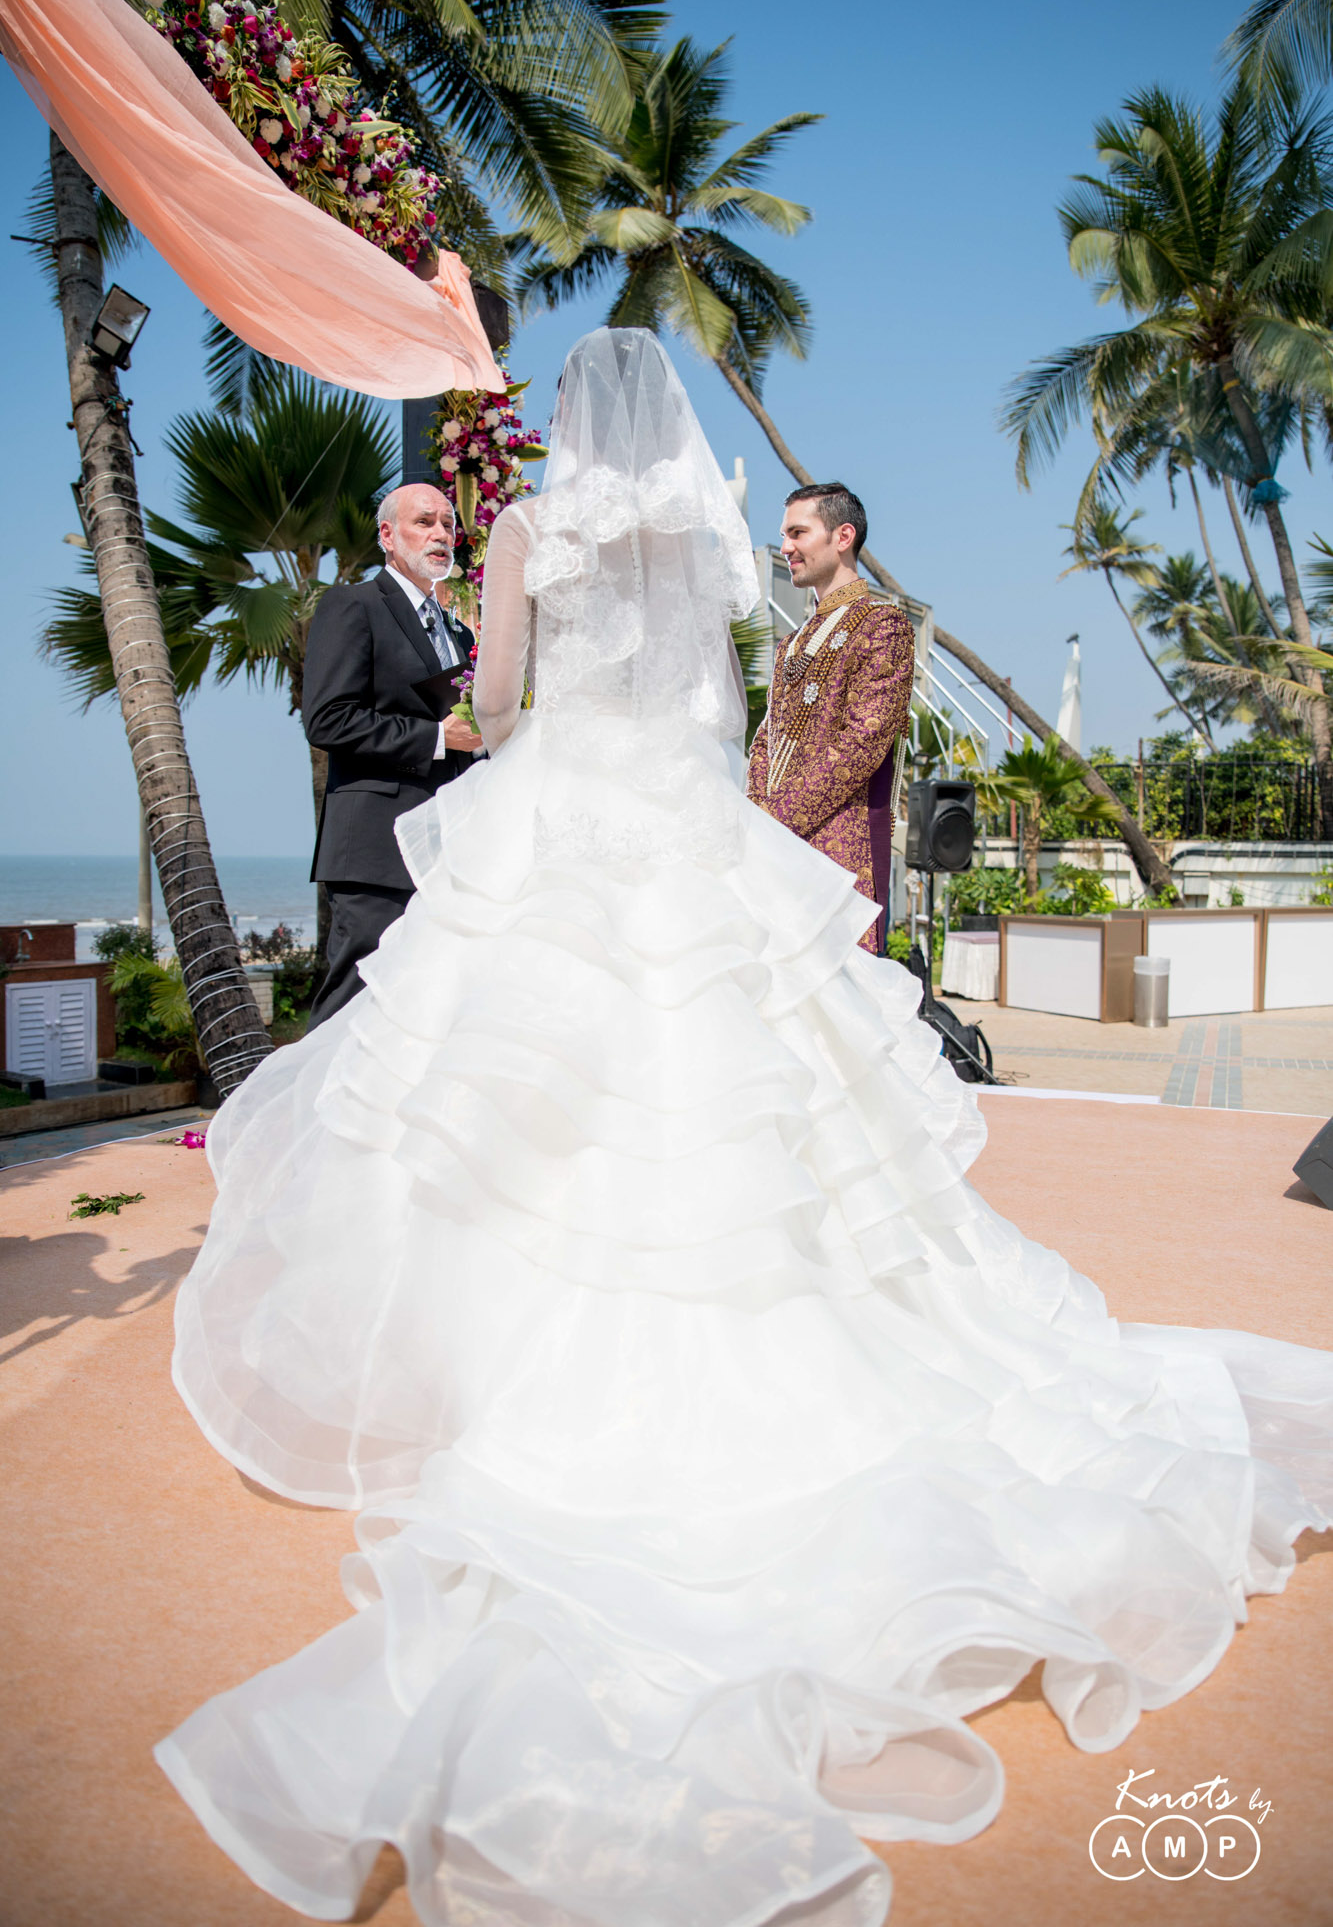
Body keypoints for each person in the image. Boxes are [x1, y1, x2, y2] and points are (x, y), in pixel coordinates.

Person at [157, 330, 1333, 1927]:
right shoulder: (695, 528)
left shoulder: (527, 531)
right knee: (734, 1082)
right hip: (682, 815)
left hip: (571, 808)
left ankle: (487, 1363)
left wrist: (527, 725)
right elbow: (713, 693)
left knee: (513, 1089)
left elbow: (494, 698)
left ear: (562, 423)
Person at [302, 482, 483, 1029]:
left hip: (446, 850)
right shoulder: (352, 605)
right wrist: (435, 738)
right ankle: (309, 1115)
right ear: (387, 534)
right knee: (351, 1007)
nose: (440, 535)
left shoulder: (456, 631)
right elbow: (328, 719)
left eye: (448, 525)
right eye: (424, 522)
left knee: (424, 1009)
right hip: (376, 850)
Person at [749, 484, 915, 953]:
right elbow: (767, 739)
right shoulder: (792, 644)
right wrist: (756, 812)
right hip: (773, 849)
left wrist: (773, 819)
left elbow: (863, 743)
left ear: (843, 536)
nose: (786, 548)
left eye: (798, 532)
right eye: (784, 535)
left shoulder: (883, 625)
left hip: (841, 846)